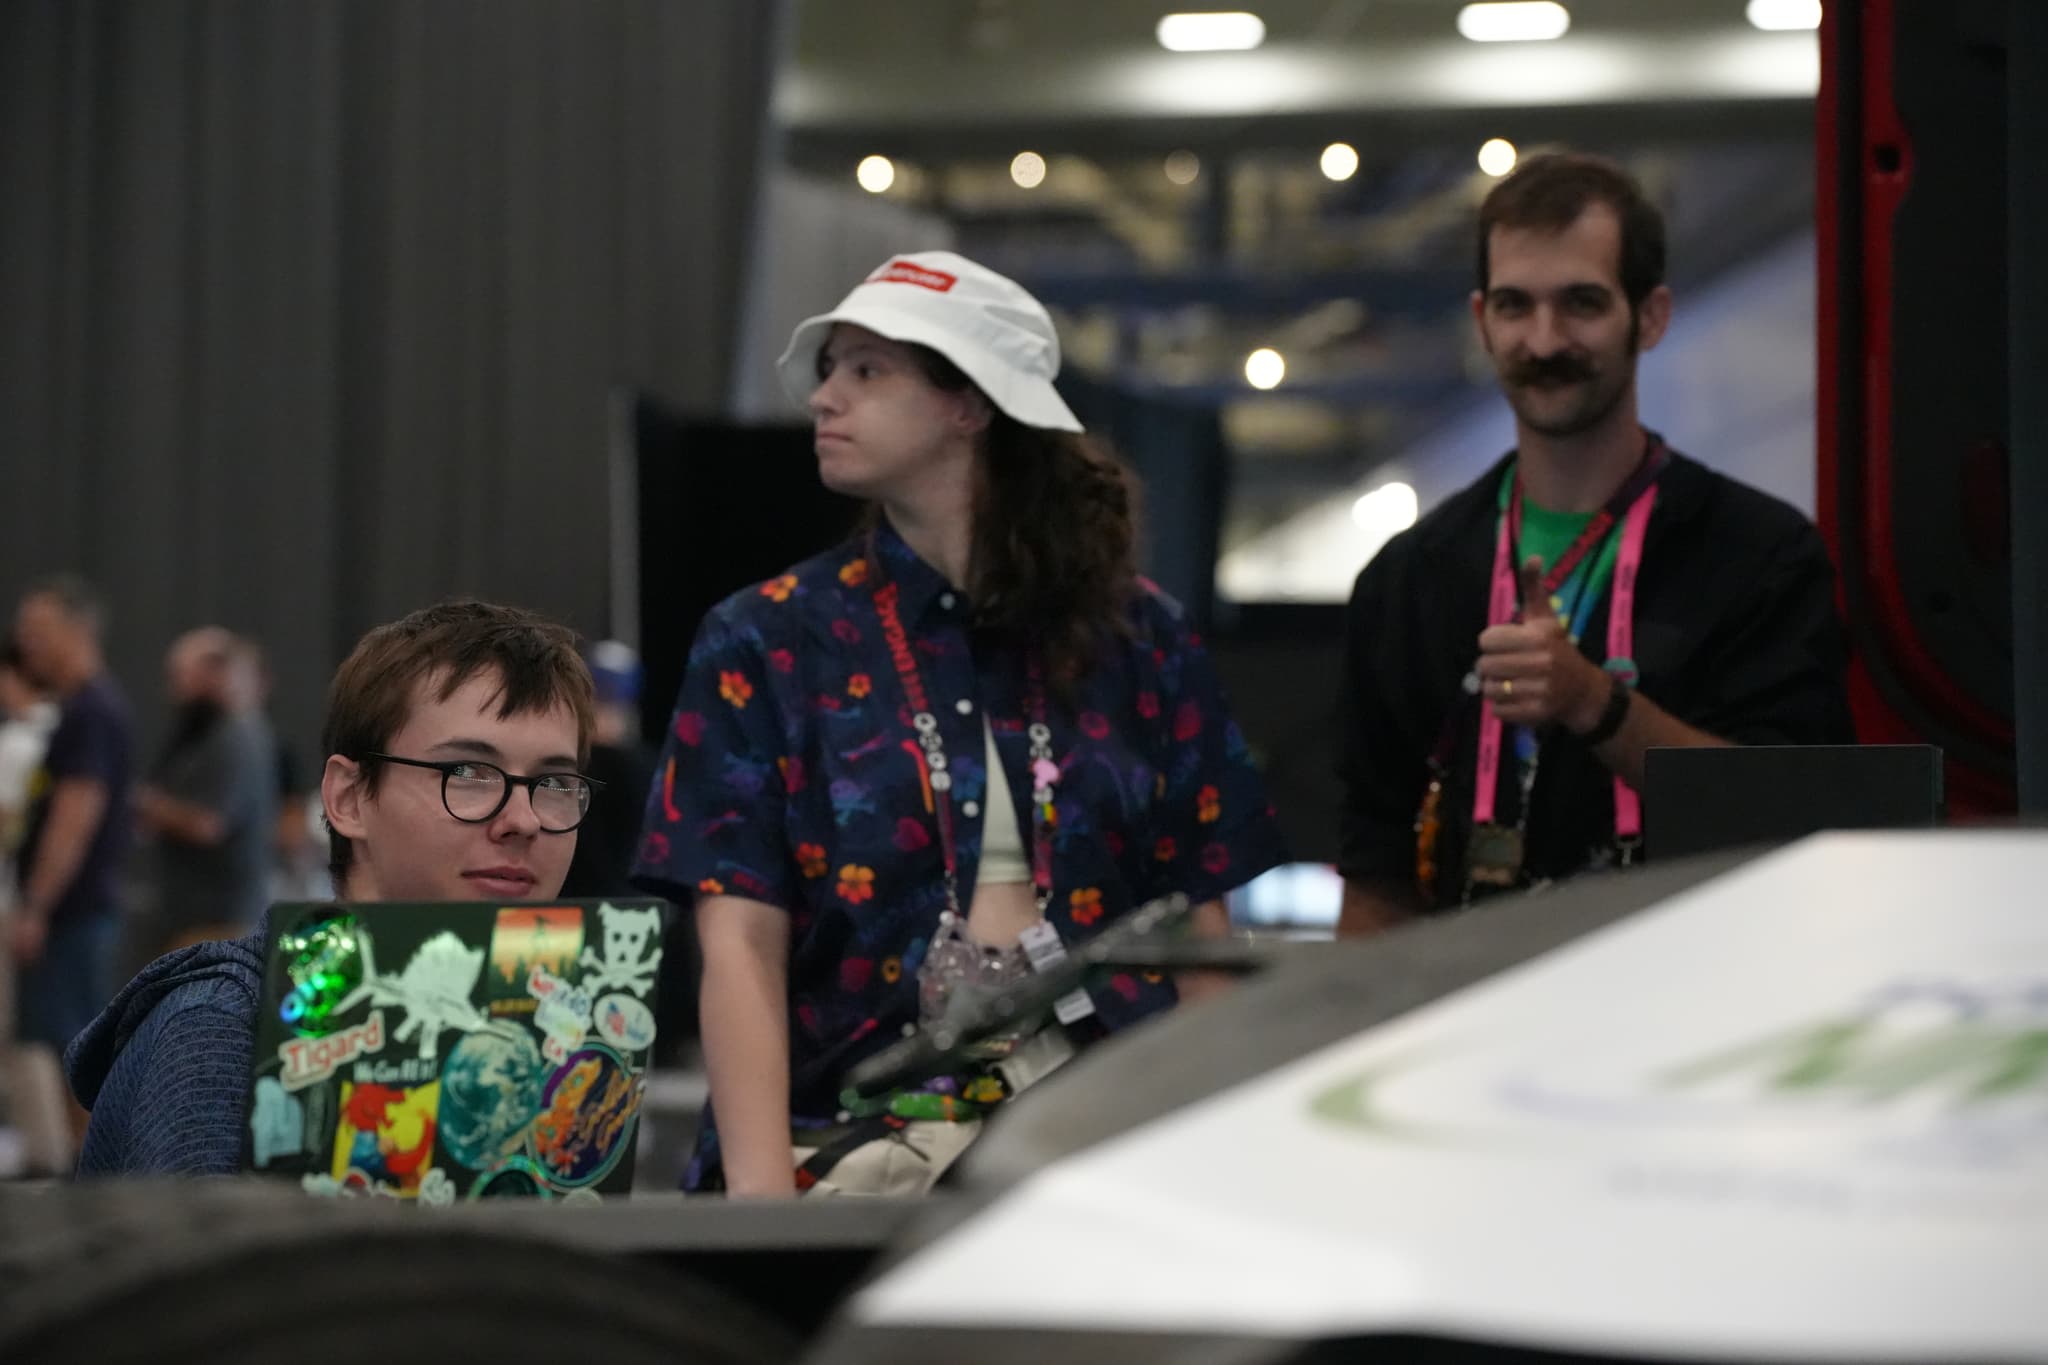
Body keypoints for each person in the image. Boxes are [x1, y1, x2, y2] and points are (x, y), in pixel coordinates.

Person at [633, 250, 1287, 1197]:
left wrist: (1216, 1172)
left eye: (867, 370)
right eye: (828, 370)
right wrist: (764, 1211)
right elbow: (737, 942)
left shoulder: (1139, 636)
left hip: (1103, 1141)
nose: (825, 398)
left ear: (969, 405)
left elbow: (1198, 930)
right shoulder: (766, 638)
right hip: (852, 1141)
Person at [1335, 153, 1853, 934]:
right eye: (1515, 306)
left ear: (1650, 316)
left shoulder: (1761, 556)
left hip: (1702, 990)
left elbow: (1790, 817)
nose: (1544, 341)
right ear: (1482, 320)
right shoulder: (1410, 582)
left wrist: (1594, 703)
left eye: (1581, 303)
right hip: (1476, 1009)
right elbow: (1377, 879)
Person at [65, 600, 599, 1175]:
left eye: (554, 782)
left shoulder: (553, 1029)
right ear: (348, 799)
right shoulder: (218, 1032)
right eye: (466, 773)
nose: (523, 819)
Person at [6, 577, 134, 1174]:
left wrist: (35, 907)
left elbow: (74, 818)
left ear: (75, 632)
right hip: (73, 913)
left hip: (73, 915)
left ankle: (98, 1182)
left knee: (75, 1054)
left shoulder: (91, 713)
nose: (26, 645)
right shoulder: (83, 711)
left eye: (38, 632)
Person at [133, 627, 279, 953]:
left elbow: (209, 824)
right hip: (194, 918)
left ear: (214, 674)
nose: (173, 688)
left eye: (181, 675)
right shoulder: (207, 736)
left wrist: (149, 804)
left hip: (220, 921)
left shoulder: (236, 737)